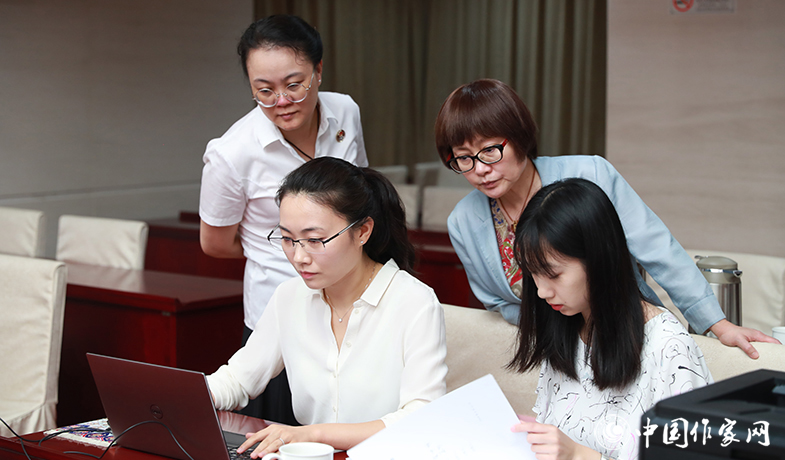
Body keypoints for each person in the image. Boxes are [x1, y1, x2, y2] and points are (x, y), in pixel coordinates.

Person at [434, 78, 779, 359]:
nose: (479, 169)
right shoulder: (463, 222)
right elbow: (497, 303)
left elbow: (657, 248)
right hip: (552, 351)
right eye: (464, 158)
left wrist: (717, 324)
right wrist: (554, 326)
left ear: (520, 137)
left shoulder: (591, 174)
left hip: (625, 336)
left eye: (489, 151)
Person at [207, 157, 448, 457]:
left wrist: (312, 433)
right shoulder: (289, 297)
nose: (299, 257)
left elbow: (421, 418)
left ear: (362, 231)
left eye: (315, 240)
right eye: (288, 239)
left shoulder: (414, 302)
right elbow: (237, 379)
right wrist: (180, 397)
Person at [199, 15, 368, 423]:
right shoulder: (232, 153)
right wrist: (279, 250)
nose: (281, 101)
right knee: (280, 432)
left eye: (294, 85)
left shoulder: (345, 112)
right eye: (264, 90)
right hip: (279, 321)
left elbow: (362, 195)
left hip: (352, 308)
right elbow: (215, 243)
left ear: (318, 71)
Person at [508, 178, 712, 460]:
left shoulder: (667, 345)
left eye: (553, 275)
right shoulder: (565, 327)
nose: (542, 292)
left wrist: (579, 455)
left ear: (598, 259)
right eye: (533, 274)